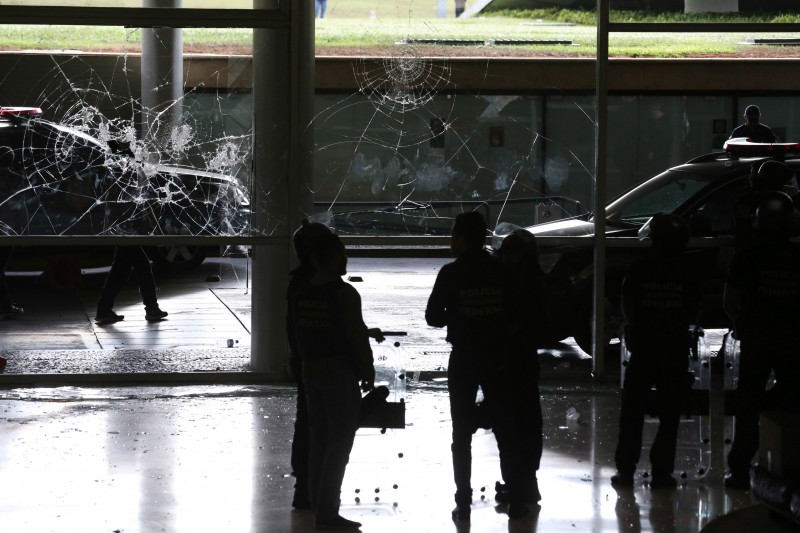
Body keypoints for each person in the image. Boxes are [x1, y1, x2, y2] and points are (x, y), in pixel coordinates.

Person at [290, 230, 383, 530]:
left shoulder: (303, 292)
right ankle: (328, 511)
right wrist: (367, 371)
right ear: (328, 258)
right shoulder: (344, 293)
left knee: (318, 442)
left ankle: (318, 504)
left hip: (311, 372)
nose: (345, 258)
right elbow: (355, 337)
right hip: (338, 375)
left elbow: (300, 335)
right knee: (339, 445)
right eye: (340, 253)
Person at [425, 211, 512, 521]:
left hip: (464, 356)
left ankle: (463, 497)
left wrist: (458, 315)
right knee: (504, 426)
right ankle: (512, 488)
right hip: (496, 355)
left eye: (453, 234)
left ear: (461, 238)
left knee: (460, 433)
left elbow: (433, 316)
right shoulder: (499, 271)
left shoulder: (450, 274)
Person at [611, 213, 700, 489]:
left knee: (632, 412)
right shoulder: (688, 269)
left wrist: (635, 327)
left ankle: (626, 471)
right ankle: (662, 473)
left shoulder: (640, 267)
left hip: (644, 349)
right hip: (673, 349)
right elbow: (695, 308)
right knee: (670, 414)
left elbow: (628, 302)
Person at [723, 191, 800, 490]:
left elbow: (731, 301)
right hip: (792, 341)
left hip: (757, 339)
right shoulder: (797, 257)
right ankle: (789, 465)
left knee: (748, 403)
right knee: (793, 401)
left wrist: (742, 324)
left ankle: (740, 469)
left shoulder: (747, 256)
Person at [495, 229, 547, 511]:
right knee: (528, 423)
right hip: (526, 362)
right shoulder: (537, 284)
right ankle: (526, 482)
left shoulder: (505, 283)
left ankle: (516, 483)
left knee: (507, 425)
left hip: (505, 362)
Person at [286, 219, 333, 510]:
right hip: (326, 364)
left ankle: (304, 484)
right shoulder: (328, 287)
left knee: (305, 420)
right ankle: (319, 485)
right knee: (325, 424)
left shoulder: (297, 284)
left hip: (305, 361)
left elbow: (292, 329)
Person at [731, 159, 798, 249]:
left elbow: (740, 231)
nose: (750, 178)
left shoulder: (747, 202)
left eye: (753, 174)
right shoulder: (789, 201)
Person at [94, 246, 168, 324]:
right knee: (142, 265)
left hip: (120, 236)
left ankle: (104, 310)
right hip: (125, 237)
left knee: (121, 267)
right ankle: (152, 308)